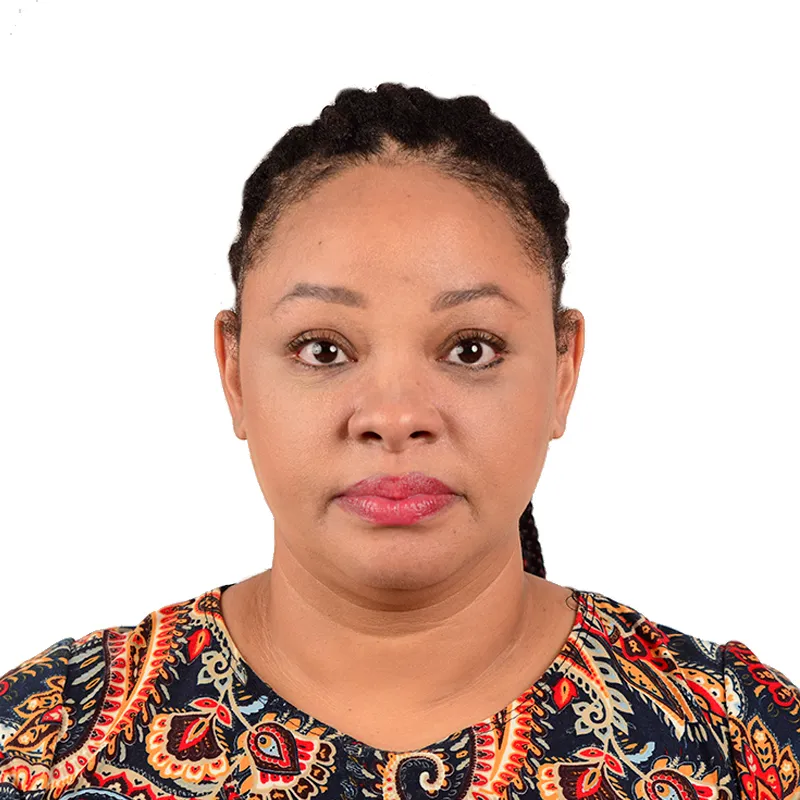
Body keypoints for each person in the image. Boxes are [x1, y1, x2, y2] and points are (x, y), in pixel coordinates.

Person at [1, 82, 797, 800]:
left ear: (563, 371)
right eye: (323, 349)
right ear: (235, 373)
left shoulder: (739, 742)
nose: (395, 415)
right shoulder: (44, 747)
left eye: (470, 349)